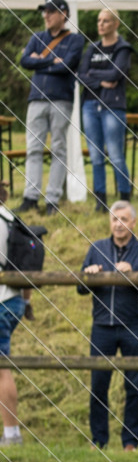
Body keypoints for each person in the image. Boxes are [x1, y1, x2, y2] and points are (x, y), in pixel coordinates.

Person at [78, 201, 138, 450]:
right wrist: (90, 274)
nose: (119, 224)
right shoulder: (97, 248)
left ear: (133, 223)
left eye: (124, 219)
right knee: (98, 384)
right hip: (102, 326)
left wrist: (134, 275)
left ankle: (130, 441)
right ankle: (99, 439)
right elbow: (80, 287)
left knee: (134, 384)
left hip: (133, 325)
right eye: (115, 219)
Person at [18, 0, 85, 216]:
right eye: (44, 11)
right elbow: (25, 61)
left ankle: (52, 200)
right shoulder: (37, 37)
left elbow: (67, 66)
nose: (46, 15)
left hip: (60, 100)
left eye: (51, 11)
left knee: (58, 149)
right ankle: (30, 197)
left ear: (64, 14)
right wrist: (51, 61)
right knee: (33, 149)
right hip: (36, 99)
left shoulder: (75, 40)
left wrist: (41, 61)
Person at [78, 8, 133, 212]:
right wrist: (101, 79)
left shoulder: (123, 48)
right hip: (90, 106)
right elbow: (80, 75)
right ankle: (100, 202)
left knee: (116, 155)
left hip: (113, 106)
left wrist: (94, 75)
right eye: (99, 20)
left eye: (106, 21)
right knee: (95, 156)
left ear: (116, 24)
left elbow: (117, 73)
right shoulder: (92, 48)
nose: (101, 24)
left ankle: (124, 199)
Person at [0, 183, 31, 448]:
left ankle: (11, 434)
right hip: (15, 298)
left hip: (0, 300)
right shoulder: (10, 218)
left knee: (1, 369)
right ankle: (11, 434)